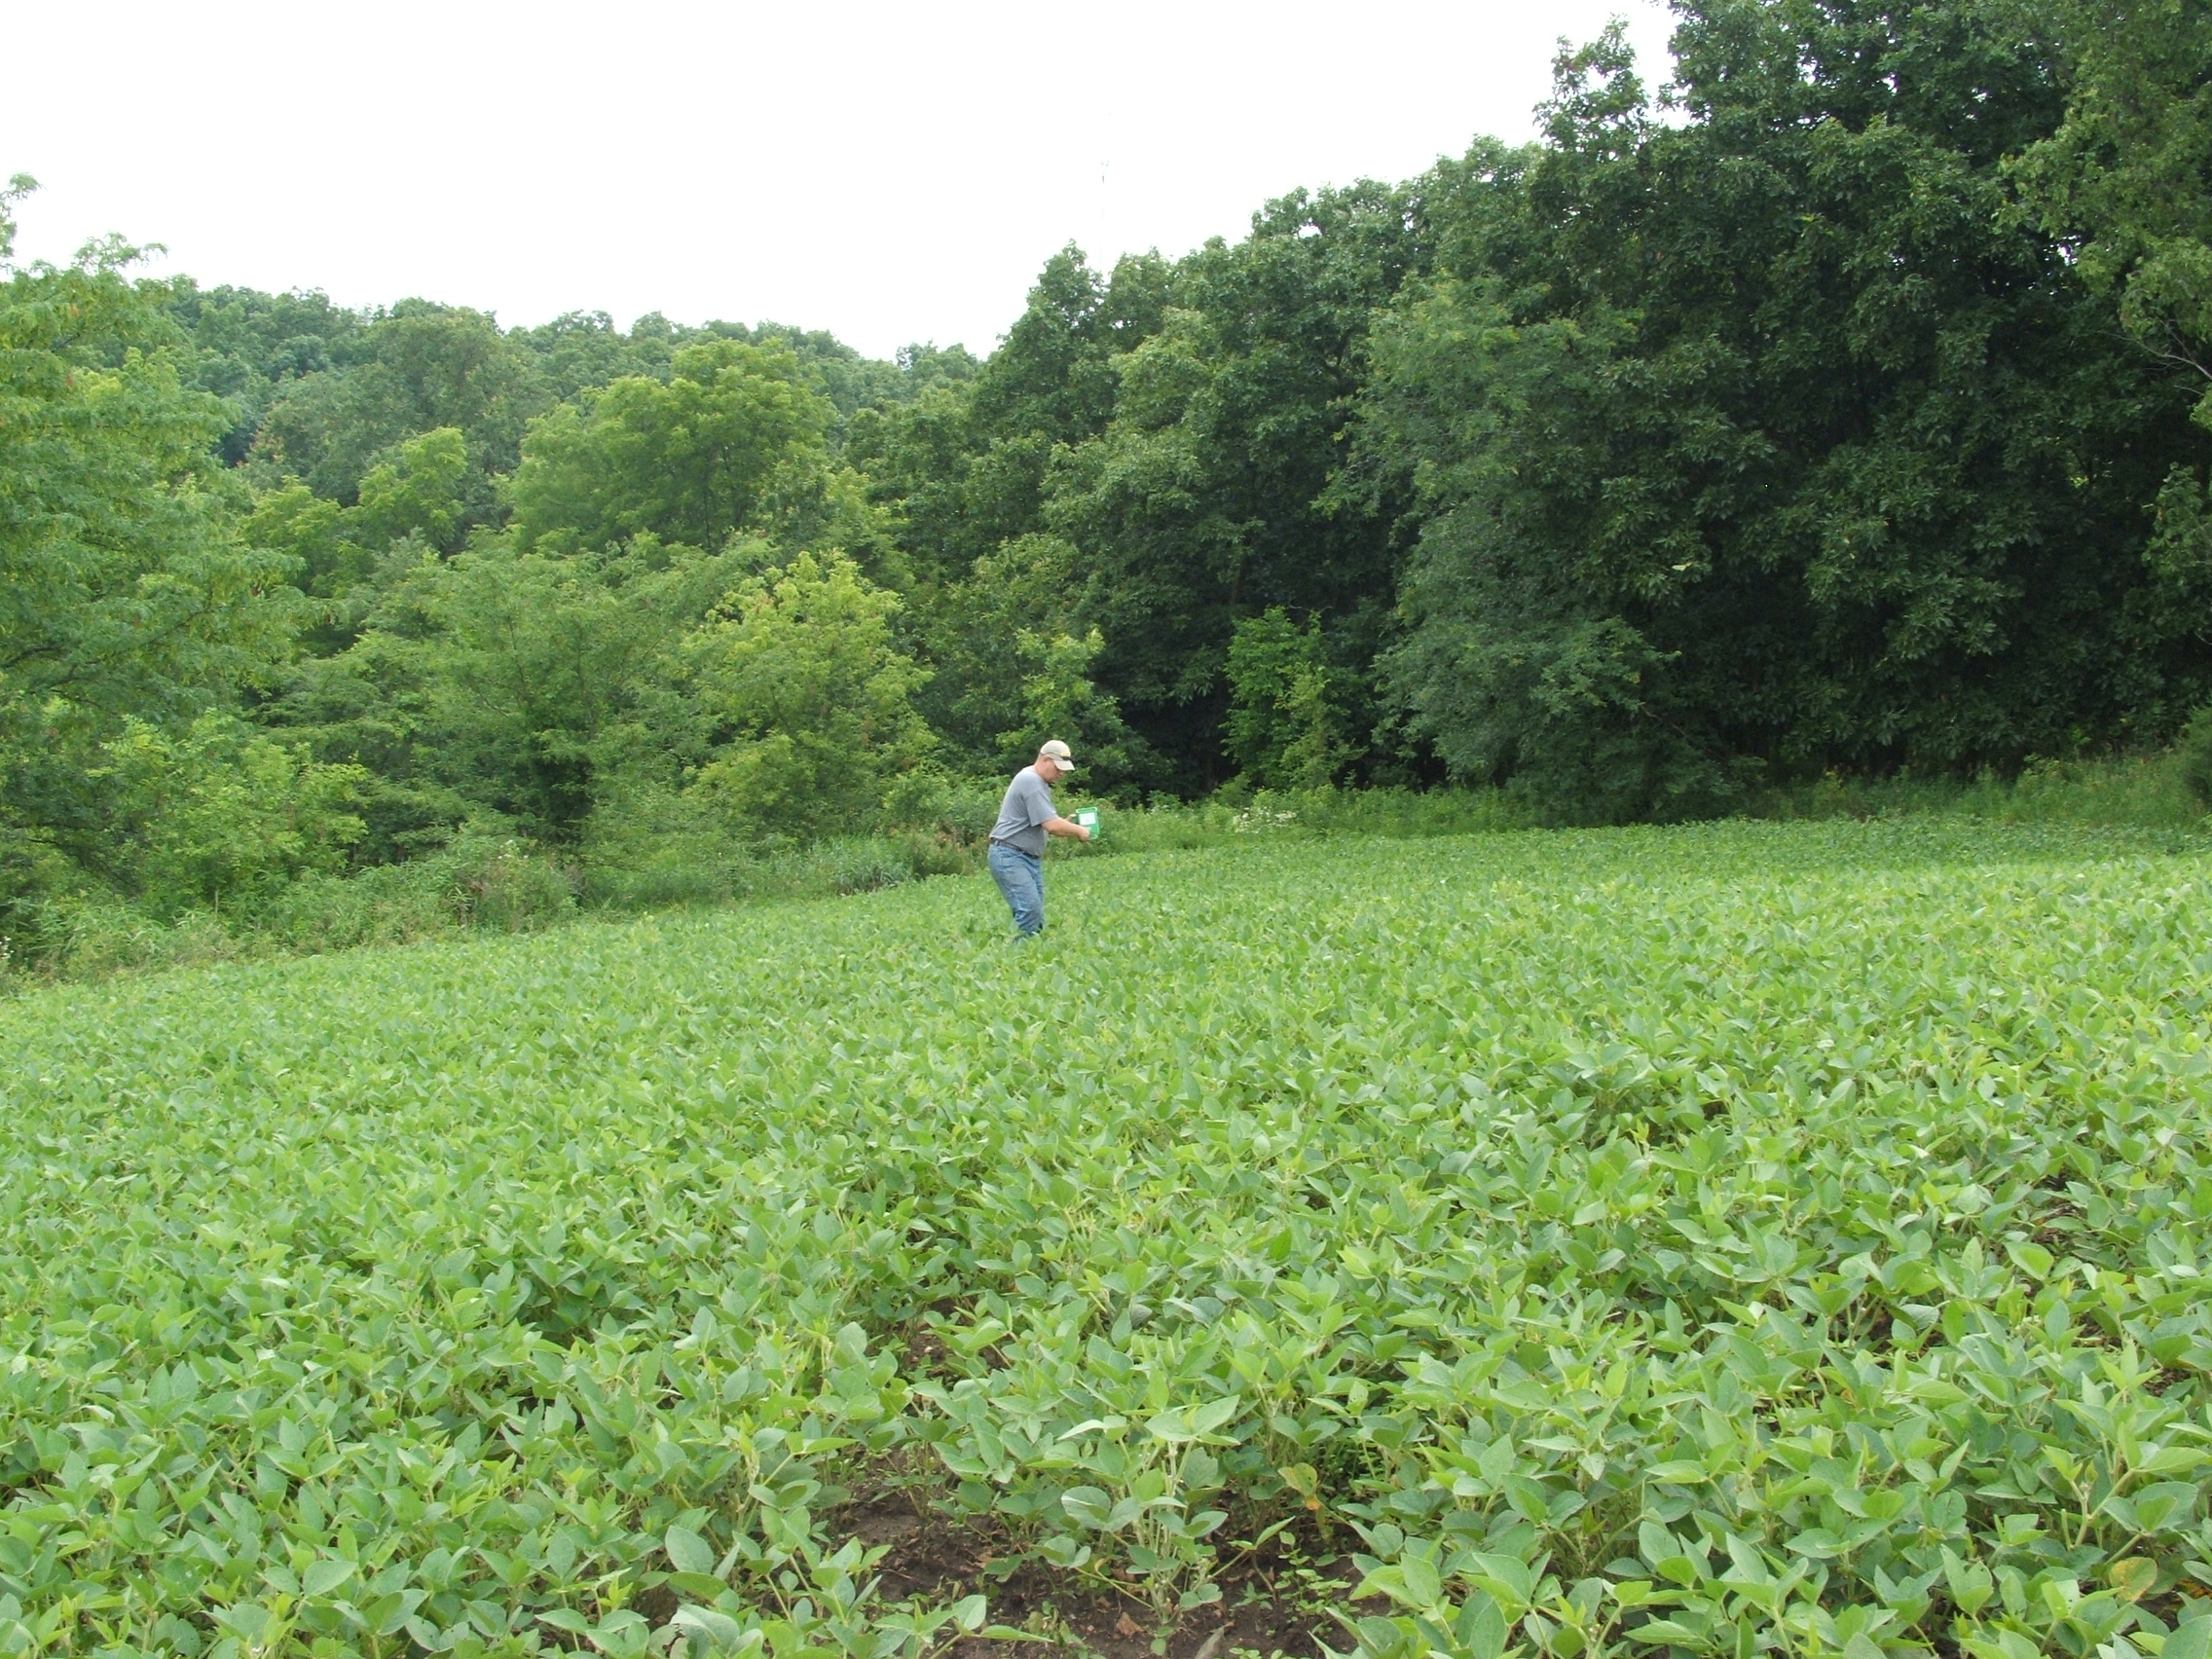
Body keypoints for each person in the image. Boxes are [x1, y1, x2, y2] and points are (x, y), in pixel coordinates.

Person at [986, 740, 1091, 937]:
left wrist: (1064, 825)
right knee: (1030, 911)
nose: (1062, 773)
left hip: (1023, 857)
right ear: (1045, 760)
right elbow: (1051, 825)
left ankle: (1024, 955)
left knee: (1034, 915)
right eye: (1058, 768)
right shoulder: (1031, 781)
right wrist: (1079, 831)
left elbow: (1046, 821)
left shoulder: (1036, 780)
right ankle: (1015, 958)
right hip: (1010, 855)